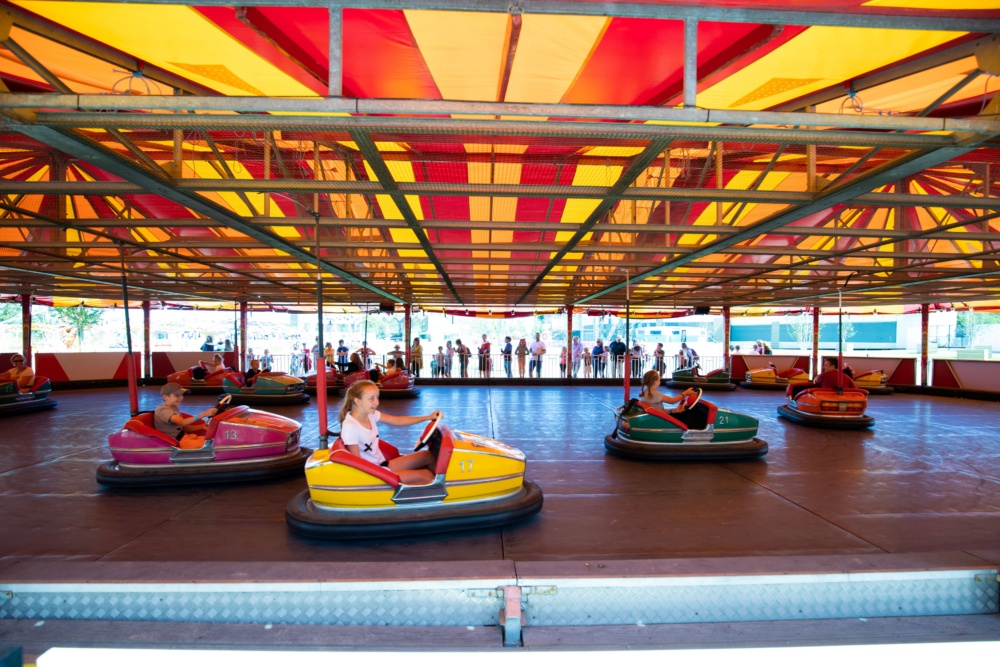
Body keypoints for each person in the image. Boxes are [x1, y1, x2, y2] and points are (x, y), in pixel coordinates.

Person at [337, 380, 442, 485]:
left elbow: (398, 421)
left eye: (377, 397)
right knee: (427, 475)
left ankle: (443, 483)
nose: (377, 402)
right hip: (374, 473)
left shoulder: (370, 415)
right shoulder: (350, 426)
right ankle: (441, 492)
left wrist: (427, 417)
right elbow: (357, 463)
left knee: (427, 456)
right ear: (357, 401)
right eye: (371, 399)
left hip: (382, 464)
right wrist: (380, 475)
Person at [154, 382, 218, 449]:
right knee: (212, 445)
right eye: (177, 395)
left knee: (214, 440)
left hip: (186, 437)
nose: (181, 398)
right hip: (179, 441)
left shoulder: (173, 408)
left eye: (182, 395)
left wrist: (201, 426)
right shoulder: (163, 410)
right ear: (165, 397)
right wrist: (204, 414)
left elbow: (184, 427)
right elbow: (182, 422)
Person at [788, 357, 857, 397]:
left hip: (826, 398)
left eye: (826, 365)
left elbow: (815, 382)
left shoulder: (823, 376)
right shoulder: (847, 377)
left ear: (832, 367)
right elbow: (855, 389)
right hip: (845, 399)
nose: (824, 367)